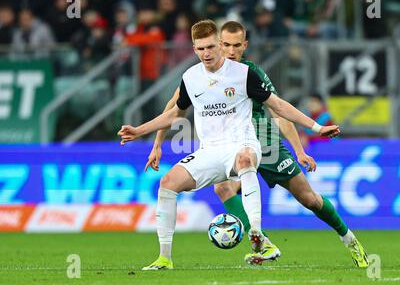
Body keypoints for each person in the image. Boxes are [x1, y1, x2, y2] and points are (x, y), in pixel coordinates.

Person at [118, 19, 340, 270]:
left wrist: (316, 128)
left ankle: (257, 234)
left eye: (211, 47)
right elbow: (173, 113)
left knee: (264, 173)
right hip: (210, 151)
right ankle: (164, 259)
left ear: (219, 46)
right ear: (194, 49)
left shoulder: (245, 74)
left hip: (245, 142)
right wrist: (140, 131)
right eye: (201, 49)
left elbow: (278, 107)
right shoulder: (191, 77)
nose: (207, 53)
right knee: (167, 183)